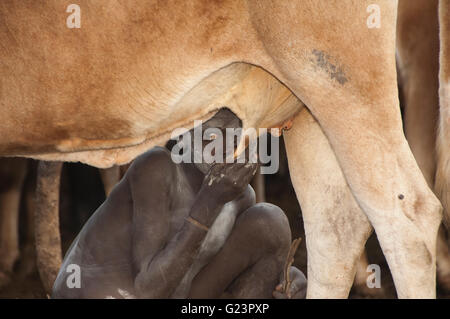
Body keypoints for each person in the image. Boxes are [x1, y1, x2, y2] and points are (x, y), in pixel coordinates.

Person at [52, 108, 306, 299]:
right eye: (212, 137)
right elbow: (149, 291)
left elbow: (207, 271)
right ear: (186, 136)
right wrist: (209, 201)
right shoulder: (157, 168)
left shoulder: (240, 198)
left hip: (175, 291)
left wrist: (284, 280)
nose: (227, 149)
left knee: (269, 223)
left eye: (237, 138)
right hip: (109, 293)